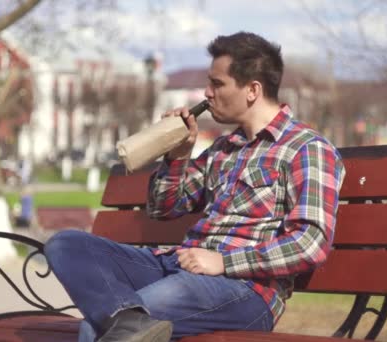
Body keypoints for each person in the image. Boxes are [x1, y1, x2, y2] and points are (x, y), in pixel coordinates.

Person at [44, 31, 346, 342]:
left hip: (245, 290)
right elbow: (162, 208)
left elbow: (310, 244)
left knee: (96, 325)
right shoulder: (223, 149)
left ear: (252, 89)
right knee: (66, 245)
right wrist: (179, 153)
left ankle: (125, 321)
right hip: (180, 267)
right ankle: (127, 321)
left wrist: (223, 262)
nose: (206, 93)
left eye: (217, 84)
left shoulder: (307, 148)